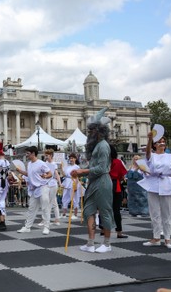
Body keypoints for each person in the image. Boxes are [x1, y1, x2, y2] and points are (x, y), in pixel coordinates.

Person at [73, 107, 114, 253]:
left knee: (105, 211)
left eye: (91, 131)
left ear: (98, 131)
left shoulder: (103, 146)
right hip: (93, 182)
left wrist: (83, 171)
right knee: (88, 211)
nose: (89, 134)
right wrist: (80, 173)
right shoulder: (97, 146)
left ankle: (107, 243)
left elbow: (102, 169)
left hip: (102, 181)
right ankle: (90, 243)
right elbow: (93, 166)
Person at [16, 146, 53, 235]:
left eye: (28, 153)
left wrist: (45, 176)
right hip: (34, 189)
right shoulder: (29, 164)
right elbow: (29, 174)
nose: (26, 155)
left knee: (45, 207)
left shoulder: (41, 163)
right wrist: (20, 171)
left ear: (33, 153)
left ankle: (46, 227)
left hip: (43, 187)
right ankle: (27, 227)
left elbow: (50, 173)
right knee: (31, 208)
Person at [109, 145, 128, 238]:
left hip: (105, 184)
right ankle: (119, 231)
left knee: (104, 209)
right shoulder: (118, 162)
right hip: (116, 185)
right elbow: (122, 176)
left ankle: (103, 230)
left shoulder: (104, 162)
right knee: (116, 210)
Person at [40, 149, 62, 226]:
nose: (46, 157)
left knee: (51, 202)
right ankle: (50, 219)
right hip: (46, 183)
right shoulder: (44, 163)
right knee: (47, 201)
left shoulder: (53, 164)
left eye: (47, 155)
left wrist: (60, 183)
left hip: (53, 184)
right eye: (45, 155)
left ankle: (49, 220)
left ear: (51, 155)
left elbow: (56, 174)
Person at [61, 153, 83, 219]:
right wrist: (61, 168)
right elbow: (64, 175)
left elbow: (77, 177)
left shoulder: (77, 167)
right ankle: (64, 213)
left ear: (75, 159)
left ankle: (75, 214)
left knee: (74, 198)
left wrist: (76, 185)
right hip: (67, 182)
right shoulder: (67, 167)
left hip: (73, 182)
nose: (71, 159)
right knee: (65, 197)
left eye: (72, 158)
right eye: (70, 158)